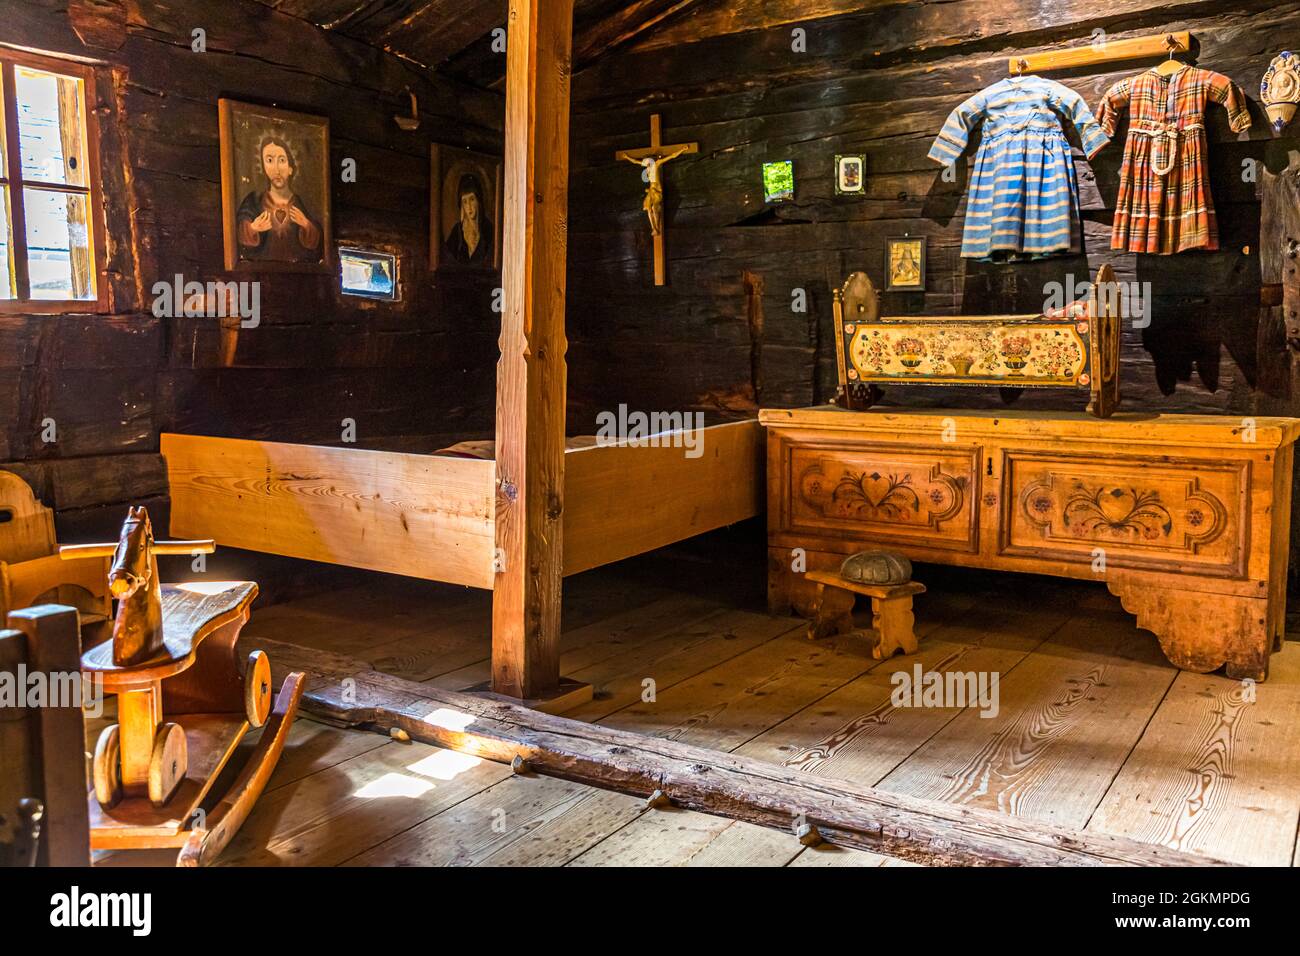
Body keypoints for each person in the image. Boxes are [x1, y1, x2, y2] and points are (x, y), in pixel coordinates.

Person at [236, 135, 323, 263]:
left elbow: (318, 242)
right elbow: (240, 233)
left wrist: (306, 224)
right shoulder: (254, 200)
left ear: (290, 168)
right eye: (270, 160)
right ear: (264, 167)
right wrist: (253, 228)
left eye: (281, 160)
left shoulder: (300, 203)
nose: (276, 169)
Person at [444, 173, 494, 266]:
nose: (469, 207)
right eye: (465, 202)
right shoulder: (457, 231)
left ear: (478, 201)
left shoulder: (489, 229)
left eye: (472, 199)